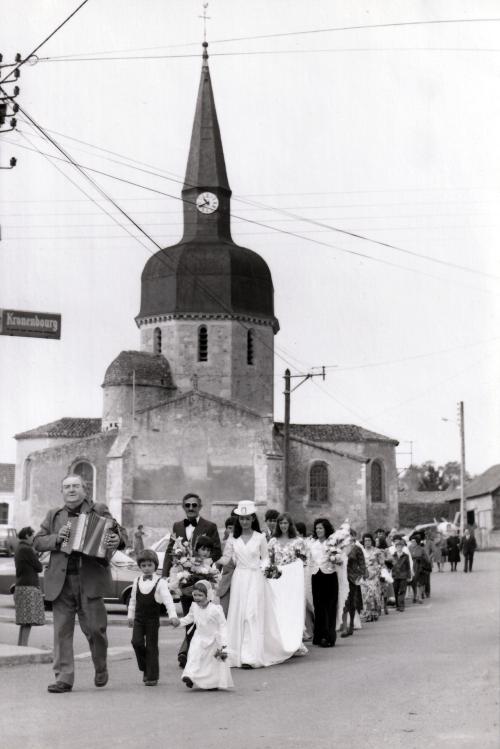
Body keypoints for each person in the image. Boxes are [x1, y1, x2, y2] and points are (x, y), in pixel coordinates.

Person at [34, 474, 126, 693]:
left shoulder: (99, 510)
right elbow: (37, 541)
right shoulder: (54, 515)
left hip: (90, 579)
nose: (71, 490)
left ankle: (100, 666)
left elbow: (119, 533)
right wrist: (57, 538)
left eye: (76, 486)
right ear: (62, 491)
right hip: (61, 581)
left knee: (96, 630)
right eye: (67, 487)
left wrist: (118, 540)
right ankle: (63, 678)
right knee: (61, 633)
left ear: (85, 490)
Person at [162, 493, 222, 668]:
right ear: (183, 506)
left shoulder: (210, 526)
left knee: (203, 619)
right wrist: (166, 575)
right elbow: (170, 551)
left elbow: (217, 551)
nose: (190, 508)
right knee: (189, 616)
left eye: (194, 505)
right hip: (184, 580)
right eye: (187, 505)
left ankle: (200, 655)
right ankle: (191, 656)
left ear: (200, 507)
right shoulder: (177, 526)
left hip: (203, 579)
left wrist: (201, 560)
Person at [128, 549, 179, 686]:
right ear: (140, 566)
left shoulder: (160, 582)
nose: (146, 568)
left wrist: (173, 616)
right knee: (136, 642)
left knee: (151, 647)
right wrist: (130, 616)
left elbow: (168, 599)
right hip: (138, 619)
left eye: (149, 565)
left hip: (152, 620)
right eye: (143, 565)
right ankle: (145, 666)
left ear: (155, 565)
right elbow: (133, 600)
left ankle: (152, 675)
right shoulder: (137, 580)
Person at [172, 580, 233, 690]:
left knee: (210, 663)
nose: (197, 598)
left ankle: (211, 683)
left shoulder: (215, 610)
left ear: (208, 595)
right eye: (195, 595)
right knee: (194, 656)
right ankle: (189, 676)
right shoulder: (194, 606)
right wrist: (179, 622)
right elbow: (189, 618)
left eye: (200, 595)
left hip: (213, 640)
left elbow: (223, 625)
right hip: (199, 637)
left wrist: (224, 642)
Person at [266, 513, 308, 656]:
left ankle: (294, 642)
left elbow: (303, 561)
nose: (283, 526)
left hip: (292, 581)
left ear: (290, 525)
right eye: (281, 523)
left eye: (286, 523)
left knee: (291, 610)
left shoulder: (298, 541)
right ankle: (279, 642)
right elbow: (269, 561)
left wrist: (292, 570)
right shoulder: (272, 541)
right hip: (277, 580)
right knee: (278, 610)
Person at [309, 518, 344, 647]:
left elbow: (340, 559)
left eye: (321, 528)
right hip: (316, 576)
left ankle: (328, 637)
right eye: (317, 528)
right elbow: (309, 559)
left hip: (329, 575)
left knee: (330, 606)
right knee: (318, 606)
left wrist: (336, 558)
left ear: (326, 529)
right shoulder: (312, 543)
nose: (318, 530)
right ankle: (319, 635)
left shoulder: (332, 543)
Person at [14, 526, 45, 646]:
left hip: (21, 586)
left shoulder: (19, 548)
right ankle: (24, 646)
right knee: (28, 621)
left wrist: (35, 555)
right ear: (27, 535)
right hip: (29, 587)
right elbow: (39, 567)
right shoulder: (27, 549)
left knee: (24, 621)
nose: (33, 538)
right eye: (32, 536)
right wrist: (35, 555)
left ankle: (21, 645)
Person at [340, 530, 367, 638]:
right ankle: (344, 626)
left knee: (352, 602)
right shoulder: (340, 548)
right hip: (342, 578)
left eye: (350, 535)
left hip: (352, 578)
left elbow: (362, 564)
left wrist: (360, 576)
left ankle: (351, 624)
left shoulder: (357, 549)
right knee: (344, 602)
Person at [360, 533, 384, 622]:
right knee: (365, 595)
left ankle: (375, 613)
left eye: (369, 540)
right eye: (365, 540)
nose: (367, 542)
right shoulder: (361, 551)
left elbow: (382, 563)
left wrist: (377, 571)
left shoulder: (377, 551)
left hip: (374, 575)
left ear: (372, 541)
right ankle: (367, 614)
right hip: (364, 575)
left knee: (374, 594)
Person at [391, 538, 412, 611]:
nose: (399, 548)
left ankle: (401, 606)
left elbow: (408, 566)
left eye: (400, 546)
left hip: (403, 575)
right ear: (395, 547)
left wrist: (409, 576)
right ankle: (397, 605)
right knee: (395, 591)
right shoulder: (393, 556)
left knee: (402, 591)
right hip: (395, 576)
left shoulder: (406, 556)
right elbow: (390, 566)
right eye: (397, 546)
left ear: (402, 547)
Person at [409, 534, 431, 603]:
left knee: (420, 583)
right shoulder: (409, 548)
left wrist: (422, 560)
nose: (412, 543)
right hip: (412, 567)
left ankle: (420, 597)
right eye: (411, 541)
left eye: (414, 542)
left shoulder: (421, 549)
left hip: (419, 567)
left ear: (417, 542)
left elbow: (427, 559)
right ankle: (415, 596)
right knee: (413, 582)